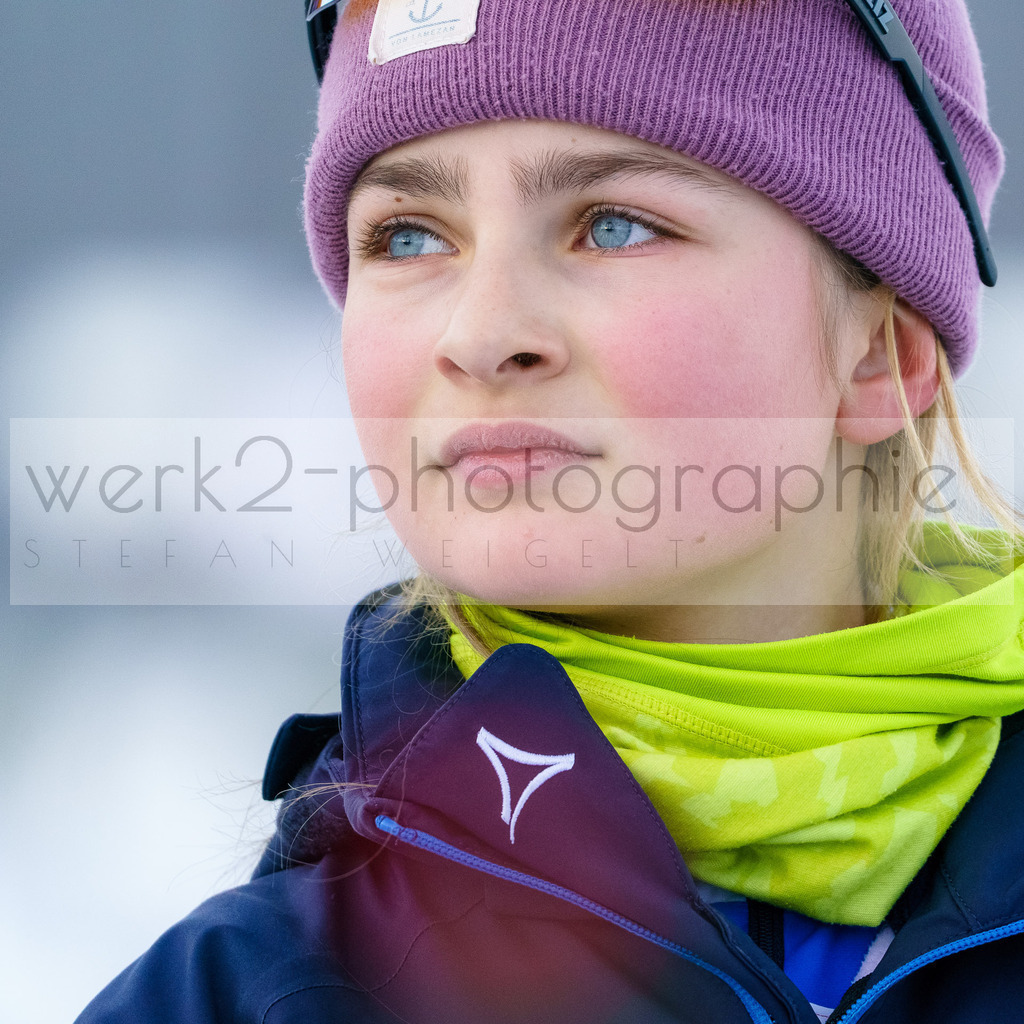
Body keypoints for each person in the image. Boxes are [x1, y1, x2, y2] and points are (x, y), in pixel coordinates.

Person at [76, 0, 1024, 1021]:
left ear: (880, 357)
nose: (482, 335)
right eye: (407, 236)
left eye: (612, 226)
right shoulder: (232, 995)